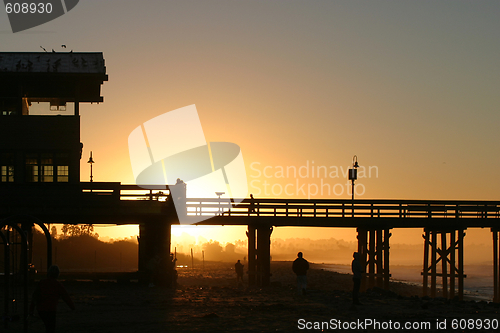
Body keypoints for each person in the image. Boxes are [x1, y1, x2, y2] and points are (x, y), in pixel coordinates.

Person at [29, 265, 75, 333]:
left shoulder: (42, 283)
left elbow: (35, 296)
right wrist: (72, 307)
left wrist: (31, 309)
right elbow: (66, 297)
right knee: (51, 328)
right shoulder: (58, 285)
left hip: (41, 309)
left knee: (48, 327)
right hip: (51, 310)